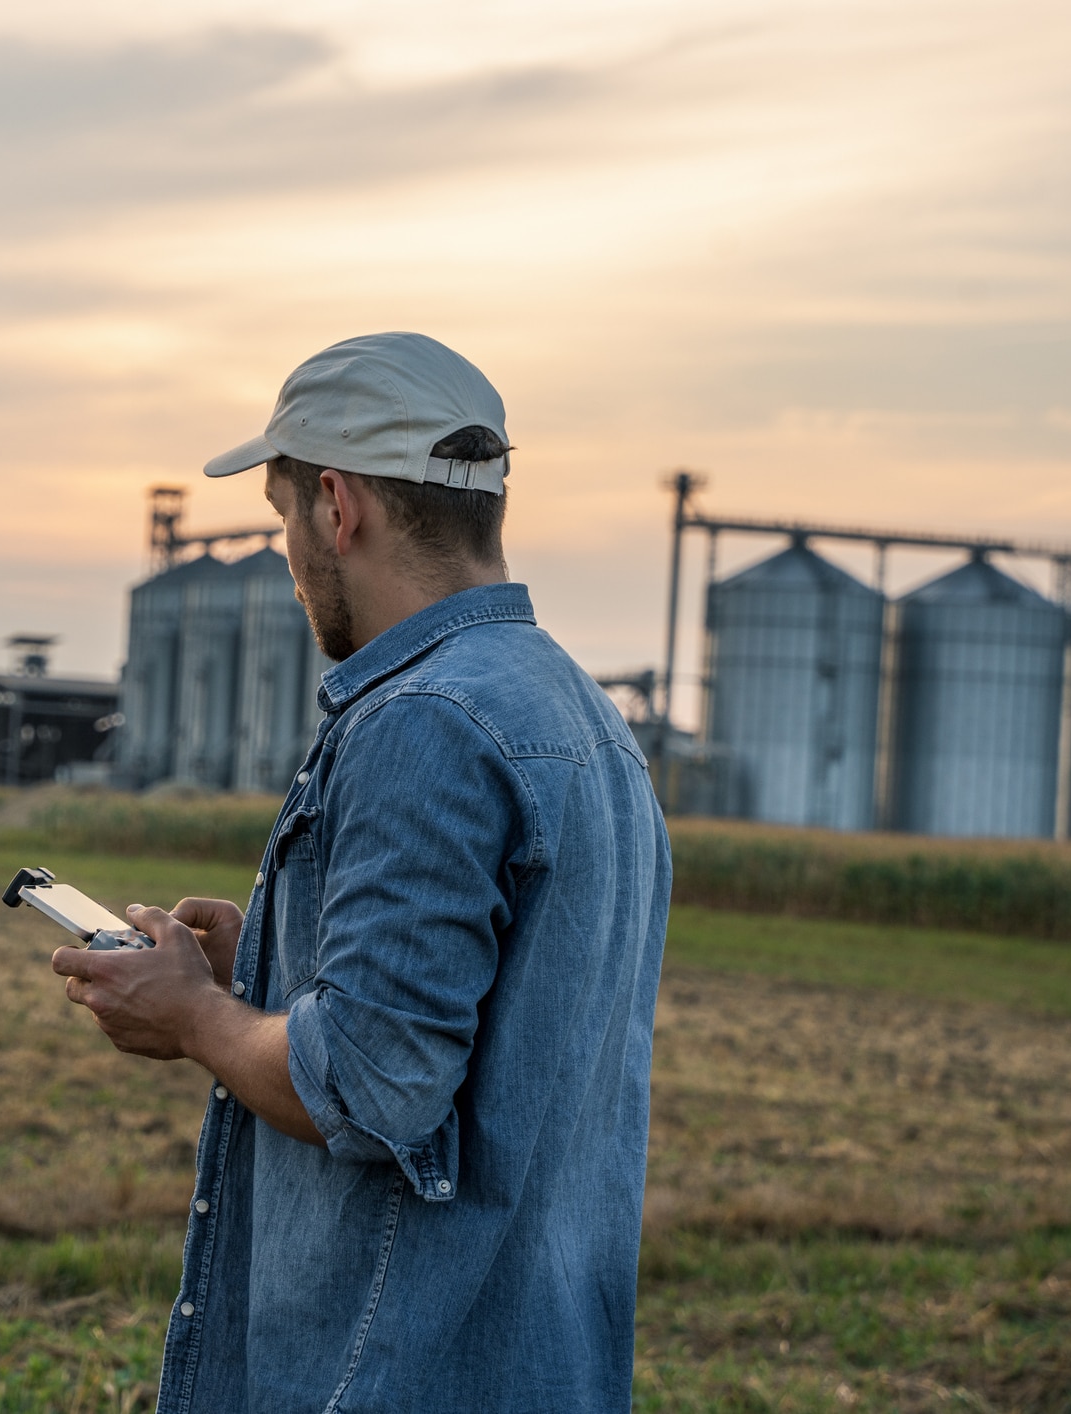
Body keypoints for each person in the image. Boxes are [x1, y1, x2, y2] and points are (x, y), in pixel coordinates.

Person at [52, 332, 671, 1412]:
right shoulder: (578, 714)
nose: (292, 557)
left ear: (339, 507)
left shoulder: (424, 720)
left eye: (286, 517)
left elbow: (378, 1084)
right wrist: (274, 971)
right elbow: (486, 1031)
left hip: (397, 1371)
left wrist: (198, 1018)